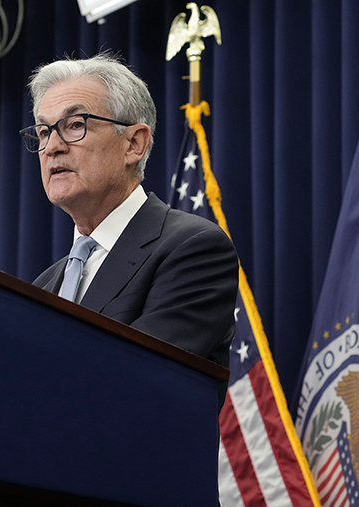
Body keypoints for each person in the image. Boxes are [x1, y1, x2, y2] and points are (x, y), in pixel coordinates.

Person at [21, 53, 238, 391]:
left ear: (134, 143)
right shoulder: (44, 285)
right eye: (43, 131)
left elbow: (136, 381)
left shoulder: (192, 249)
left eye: (75, 125)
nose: (51, 147)